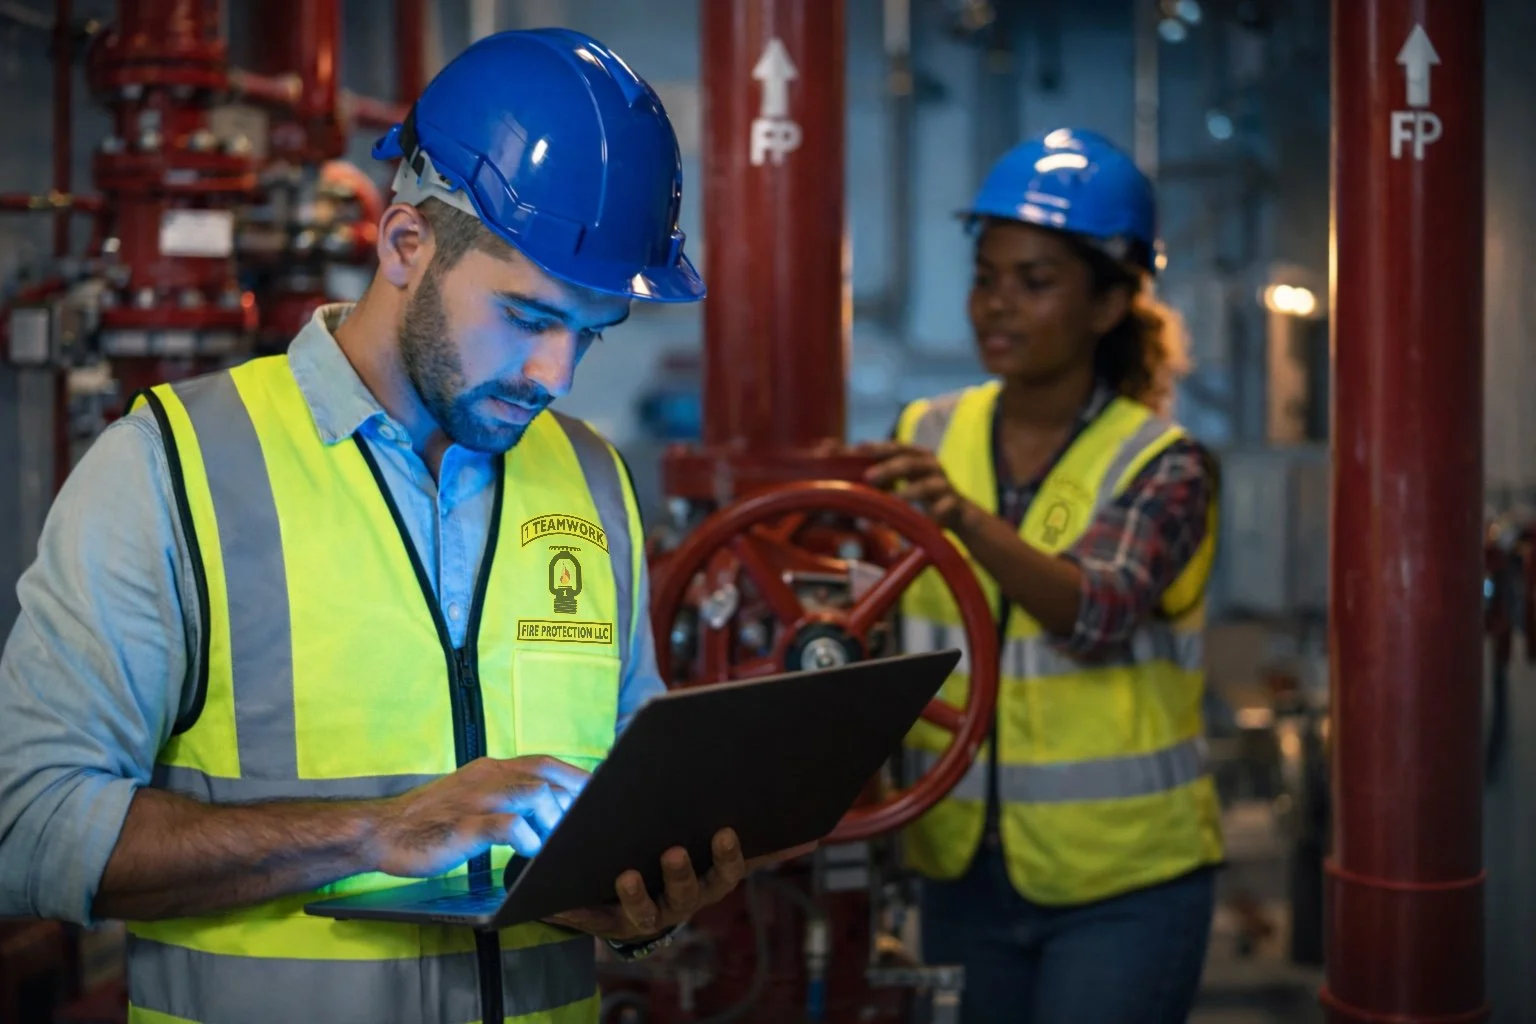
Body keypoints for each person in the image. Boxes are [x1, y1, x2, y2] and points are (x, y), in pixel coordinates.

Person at [0, 28, 790, 1024]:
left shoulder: (591, 481)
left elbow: (624, 795)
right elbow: (25, 827)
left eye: (587, 335)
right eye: (531, 318)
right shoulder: (172, 469)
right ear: (406, 242)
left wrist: (642, 897)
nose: (557, 378)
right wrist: (374, 832)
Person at [860, 128, 1223, 1023]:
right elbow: (869, 609)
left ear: (1108, 304)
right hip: (958, 866)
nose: (996, 306)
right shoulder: (928, 428)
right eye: (987, 277)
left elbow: (1097, 609)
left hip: (1124, 883)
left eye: (1035, 282)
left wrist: (963, 516)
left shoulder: (1163, 464)